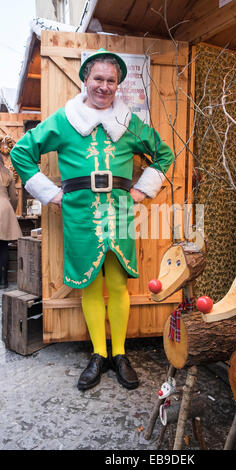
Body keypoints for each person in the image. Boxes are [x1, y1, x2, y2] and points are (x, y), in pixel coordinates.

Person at [10, 48, 174, 391]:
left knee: (117, 285)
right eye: (98, 79)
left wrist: (142, 190)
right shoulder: (65, 120)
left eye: (111, 80)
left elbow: (164, 153)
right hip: (80, 212)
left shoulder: (129, 124)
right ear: (86, 80)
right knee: (89, 284)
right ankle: (98, 354)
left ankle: (120, 354)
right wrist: (50, 193)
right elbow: (22, 152)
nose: (104, 86)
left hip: (120, 211)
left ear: (118, 85)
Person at [0, 154, 22, 289]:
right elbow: (14, 196)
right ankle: (3, 281)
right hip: (4, 208)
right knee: (3, 247)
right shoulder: (7, 172)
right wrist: (10, 211)